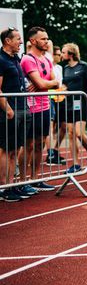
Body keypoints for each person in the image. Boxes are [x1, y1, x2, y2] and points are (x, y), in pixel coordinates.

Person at [20, 27, 60, 191]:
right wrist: (45, 84)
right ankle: (22, 181)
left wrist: (45, 85)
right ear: (33, 41)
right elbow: (44, 83)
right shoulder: (27, 60)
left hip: (45, 106)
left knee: (40, 144)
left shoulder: (47, 59)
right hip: (31, 107)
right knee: (28, 144)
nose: (47, 41)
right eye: (43, 39)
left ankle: (35, 178)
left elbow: (55, 82)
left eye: (47, 38)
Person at [0, 28, 36, 201]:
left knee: (16, 149)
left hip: (23, 108)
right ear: (8, 41)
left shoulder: (16, 59)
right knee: (7, 150)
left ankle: (12, 186)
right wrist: (7, 108)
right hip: (11, 110)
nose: (21, 42)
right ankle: (4, 188)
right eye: (18, 39)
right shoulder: (1, 60)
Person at [59, 43, 87, 172]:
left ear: (71, 54)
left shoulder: (83, 66)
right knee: (70, 134)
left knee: (79, 133)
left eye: (63, 52)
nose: (61, 54)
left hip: (81, 103)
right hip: (68, 104)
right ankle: (75, 164)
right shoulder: (65, 68)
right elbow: (65, 85)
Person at [46, 45, 67, 165]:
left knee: (64, 126)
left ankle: (55, 149)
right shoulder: (48, 65)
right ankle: (50, 154)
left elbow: (61, 83)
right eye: (58, 54)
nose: (60, 56)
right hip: (50, 98)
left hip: (61, 99)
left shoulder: (59, 67)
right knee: (50, 127)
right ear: (52, 55)